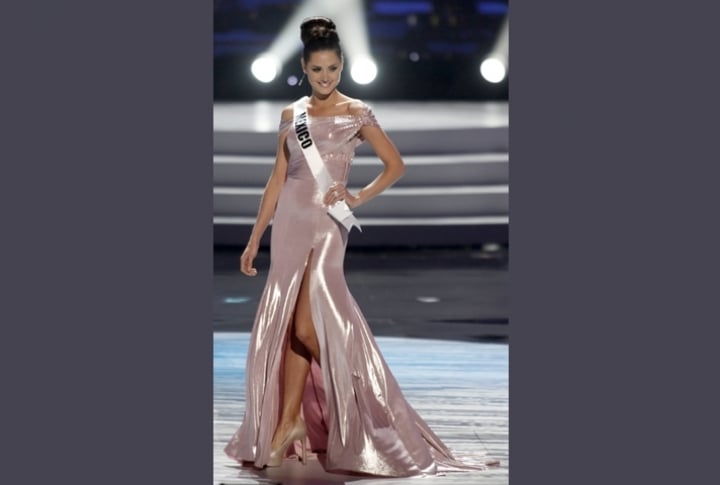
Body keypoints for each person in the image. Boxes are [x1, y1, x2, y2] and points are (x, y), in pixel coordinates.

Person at [224, 16, 497, 477]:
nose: (325, 78)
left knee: (312, 326)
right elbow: (277, 179)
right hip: (290, 221)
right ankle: (289, 424)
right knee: (291, 323)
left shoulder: (357, 113)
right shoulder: (293, 115)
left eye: (332, 69)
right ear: (305, 70)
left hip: (329, 225)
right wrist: (254, 238)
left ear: (343, 66)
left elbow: (395, 165)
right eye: (317, 71)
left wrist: (357, 195)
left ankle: (367, 408)